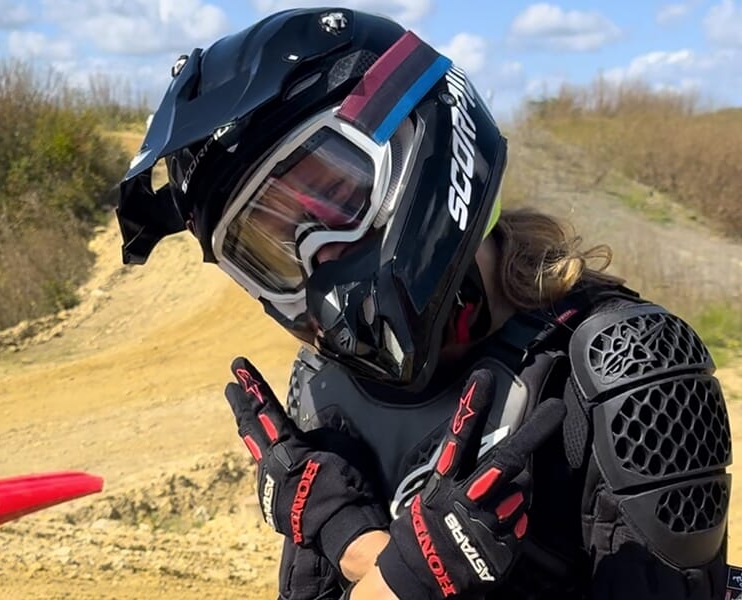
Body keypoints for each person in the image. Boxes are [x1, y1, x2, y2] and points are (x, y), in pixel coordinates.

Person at [114, 7, 732, 599]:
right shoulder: (324, 389)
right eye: (271, 252)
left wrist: (401, 575)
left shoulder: (630, 364)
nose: (316, 257)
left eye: (332, 196)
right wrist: (350, 540)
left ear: (424, 143)